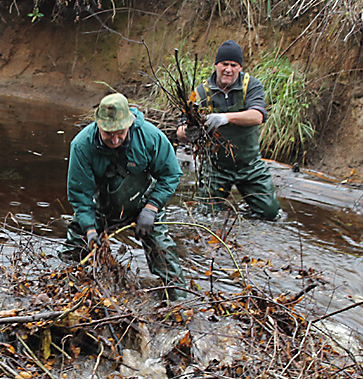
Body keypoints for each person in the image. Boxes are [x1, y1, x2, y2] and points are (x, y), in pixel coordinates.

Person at [62, 92, 185, 297]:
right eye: (108, 133)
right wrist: (89, 228)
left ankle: (178, 301)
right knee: (73, 250)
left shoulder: (151, 137)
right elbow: (80, 193)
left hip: (143, 207)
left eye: (120, 132)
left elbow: (171, 175)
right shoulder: (81, 146)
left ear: (129, 124)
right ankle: (66, 293)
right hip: (101, 208)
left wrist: (152, 208)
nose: (115, 139)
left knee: (163, 250)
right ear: (98, 126)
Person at [177, 40, 280, 220]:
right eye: (224, 64)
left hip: (250, 165)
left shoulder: (251, 86)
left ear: (240, 67)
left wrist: (225, 118)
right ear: (216, 65)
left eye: (234, 65)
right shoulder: (199, 93)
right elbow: (180, 130)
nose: (228, 69)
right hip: (216, 167)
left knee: (270, 214)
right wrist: (189, 132)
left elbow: (257, 116)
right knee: (205, 217)